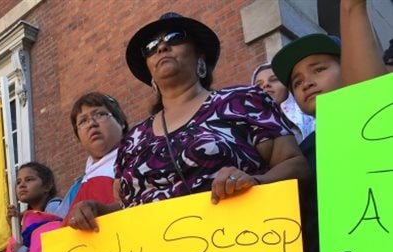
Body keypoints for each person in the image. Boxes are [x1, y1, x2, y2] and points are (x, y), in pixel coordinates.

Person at [68, 12, 309, 231]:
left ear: (200, 57)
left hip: (237, 245)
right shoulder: (132, 140)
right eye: (151, 47)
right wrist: (96, 210)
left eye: (175, 38)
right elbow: (127, 208)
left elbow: (297, 166)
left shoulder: (242, 101)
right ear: (149, 71)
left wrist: (255, 182)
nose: (161, 47)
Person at [271, 2, 388, 252]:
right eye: (296, 82)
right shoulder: (301, 154)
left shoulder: (379, 119)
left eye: (319, 68)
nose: (306, 83)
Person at [25, 92, 129, 252]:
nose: (91, 124)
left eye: (100, 115)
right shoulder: (77, 187)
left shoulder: (136, 165)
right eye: (82, 121)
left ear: (121, 123)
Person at [8, 162, 62, 252]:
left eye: (29, 180)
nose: (22, 185)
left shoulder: (54, 210)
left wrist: (20, 251)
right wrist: (15, 226)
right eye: (18, 182)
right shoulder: (27, 218)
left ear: (47, 186)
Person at [251, 63, 315, 144]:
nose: (265, 85)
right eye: (258, 85)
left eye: (274, 79)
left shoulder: (313, 113)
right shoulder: (251, 132)